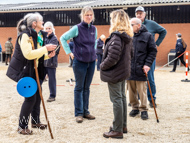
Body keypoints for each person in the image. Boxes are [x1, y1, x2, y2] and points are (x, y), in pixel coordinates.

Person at [6, 12, 56, 135]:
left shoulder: (37, 36)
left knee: (38, 96)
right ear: (35, 23)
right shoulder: (25, 36)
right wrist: (45, 49)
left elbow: (36, 56)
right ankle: (22, 126)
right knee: (30, 98)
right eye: (41, 21)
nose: (43, 23)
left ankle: (35, 122)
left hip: (34, 71)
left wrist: (47, 55)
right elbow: (28, 55)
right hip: (25, 71)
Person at [60, 6, 97, 123]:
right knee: (79, 87)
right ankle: (79, 113)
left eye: (91, 15)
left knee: (87, 87)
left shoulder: (94, 29)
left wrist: (94, 53)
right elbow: (63, 38)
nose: (89, 17)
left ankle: (86, 111)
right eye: (87, 15)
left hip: (91, 63)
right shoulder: (77, 28)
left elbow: (95, 41)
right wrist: (69, 52)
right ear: (82, 16)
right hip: (79, 62)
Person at [100, 9, 133, 139]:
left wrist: (102, 66)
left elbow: (112, 57)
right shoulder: (127, 37)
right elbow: (131, 55)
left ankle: (117, 129)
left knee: (117, 99)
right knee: (122, 98)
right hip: (122, 72)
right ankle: (122, 125)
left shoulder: (116, 37)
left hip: (115, 73)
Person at [135, 6, 167, 108]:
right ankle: (137, 98)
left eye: (141, 13)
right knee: (137, 78)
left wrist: (157, 43)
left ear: (144, 14)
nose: (139, 15)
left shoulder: (151, 24)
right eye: (137, 13)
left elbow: (163, 31)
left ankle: (152, 99)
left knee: (150, 78)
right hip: (137, 56)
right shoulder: (133, 24)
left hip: (149, 56)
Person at [127, 18, 157, 120]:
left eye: (132, 25)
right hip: (130, 68)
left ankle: (143, 109)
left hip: (141, 67)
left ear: (138, 25)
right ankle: (134, 107)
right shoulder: (129, 36)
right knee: (131, 90)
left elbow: (153, 51)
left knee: (142, 90)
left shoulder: (148, 36)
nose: (130, 27)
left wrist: (147, 64)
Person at [44, 21, 60, 102]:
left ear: (52, 29)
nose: (47, 30)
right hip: (44, 63)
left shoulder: (54, 38)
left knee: (52, 79)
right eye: (46, 28)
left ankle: (52, 95)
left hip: (51, 62)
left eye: (49, 28)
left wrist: (44, 48)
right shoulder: (44, 38)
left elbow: (51, 50)